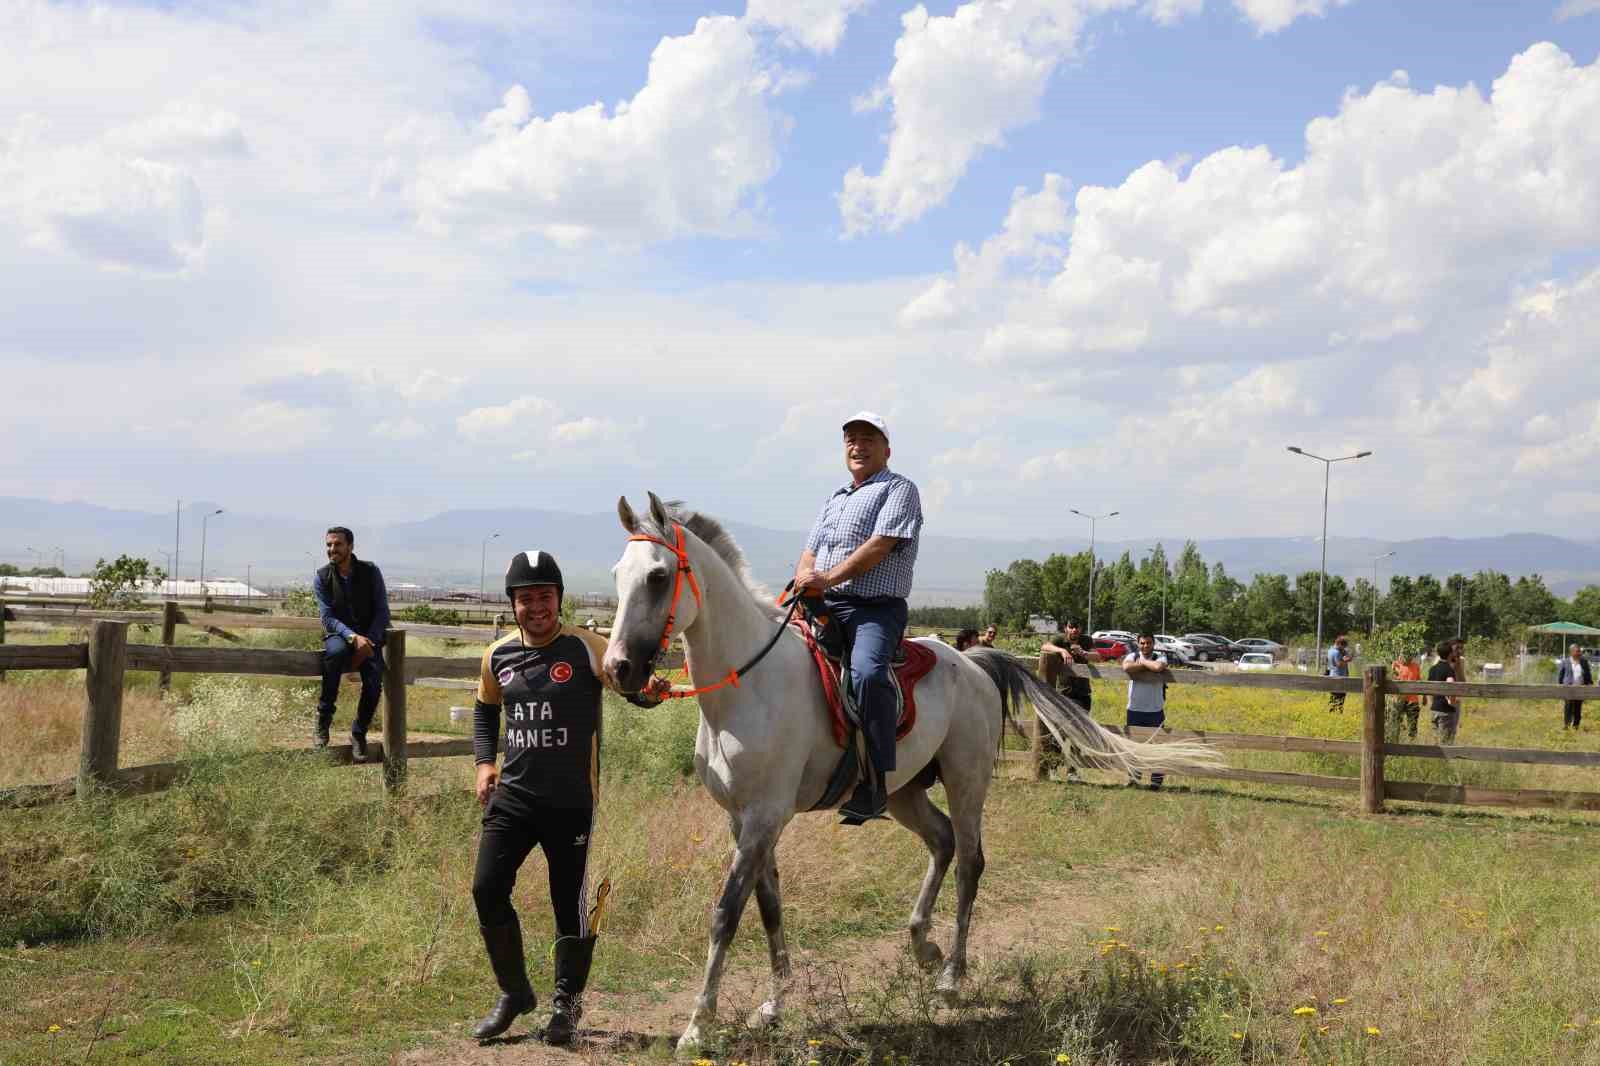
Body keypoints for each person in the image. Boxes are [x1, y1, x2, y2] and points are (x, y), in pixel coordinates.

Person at [469, 549, 670, 1044]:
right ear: (512, 603)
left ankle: (566, 1008)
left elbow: (630, 685)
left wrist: (650, 691)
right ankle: (515, 994)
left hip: (571, 802)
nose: (536, 607)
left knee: (569, 905)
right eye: (525, 598)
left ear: (560, 598)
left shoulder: (587, 646)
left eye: (545, 597)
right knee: (486, 890)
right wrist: (484, 763)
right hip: (512, 800)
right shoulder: (497, 655)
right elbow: (483, 709)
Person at [792, 411, 924, 825]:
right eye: (851, 439)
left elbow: (879, 546)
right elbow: (810, 551)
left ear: (887, 449)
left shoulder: (899, 489)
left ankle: (875, 781)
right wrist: (804, 578)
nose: (858, 446)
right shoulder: (835, 498)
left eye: (868, 439)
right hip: (826, 605)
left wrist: (827, 577)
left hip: (874, 609)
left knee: (866, 673)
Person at [312, 526, 391, 759]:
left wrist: (369, 641)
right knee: (334, 656)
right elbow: (327, 618)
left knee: (375, 682)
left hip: (371, 636)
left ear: (350, 546)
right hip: (340, 636)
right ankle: (322, 724)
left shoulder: (370, 571)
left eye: (337, 544)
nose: (332, 549)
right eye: (329, 545)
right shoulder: (322, 576)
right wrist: (353, 637)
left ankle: (358, 732)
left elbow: (382, 611)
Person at [1037, 620, 1102, 781]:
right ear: (1066, 628)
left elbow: (1099, 657)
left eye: (1077, 627)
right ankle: (1053, 769)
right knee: (1058, 734)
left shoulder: (1086, 640)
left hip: (1083, 693)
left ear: (1080, 628)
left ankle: (1073, 772)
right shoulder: (1060, 639)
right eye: (1071, 627)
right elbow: (1044, 647)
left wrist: (1085, 654)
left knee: (1078, 735)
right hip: (1064, 694)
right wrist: (1061, 651)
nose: (1074, 630)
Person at [1123, 633, 1170, 789]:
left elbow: (1158, 667)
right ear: (1138, 643)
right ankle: (1134, 779)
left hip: (1155, 710)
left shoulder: (1160, 656)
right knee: (1133, 745)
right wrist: (1146, 664)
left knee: (1157, 746)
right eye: (1142, 643)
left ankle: (1156, 782)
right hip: (1134, 709)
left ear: (1153, 644)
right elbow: (1127, 667)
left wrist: (1142, 662)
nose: (1145, 646)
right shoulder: (1132, 655)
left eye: (1148, 643)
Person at [1427, 639, 1461, 744]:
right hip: (1445, 710)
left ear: (1438, 653)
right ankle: (1443, 761)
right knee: (1446, 742)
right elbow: (1450, 685)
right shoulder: (1449, 669)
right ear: (1450, 654)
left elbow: (1428, 689)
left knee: (1436, 741)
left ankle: (1435, 760)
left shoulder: (1432, 669)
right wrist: (1452, 701)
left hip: (1434, 709)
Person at [1389, 648, 1422, 741]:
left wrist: (1424, 697)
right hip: (1398, 700)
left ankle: (1412, 744)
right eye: (1405, 655)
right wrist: (1394, 668)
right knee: (1395, 723)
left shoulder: (1416, 666)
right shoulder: (1396, 665)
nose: (1408, 658)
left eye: (1410, 656)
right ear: (1401, 655)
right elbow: (1391, 680)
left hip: (1413, 700)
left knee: (1413, 725)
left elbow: (1420, 682)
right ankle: (1394, 743)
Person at [1557, 643, 1592, 730]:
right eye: (1577, 651)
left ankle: (1576, 726)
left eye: (1579, 651)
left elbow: (1588, 674)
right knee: (1568, 707)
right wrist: (1561, 686)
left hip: (1580, 688)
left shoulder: (1584, 662)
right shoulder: (1565, 662)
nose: (1579, 653)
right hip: (1568, 688)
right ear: (1572, 652)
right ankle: (1567, 725)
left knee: (1577, 708)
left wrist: (1589, 683)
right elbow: (1560, 676)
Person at [1326, 635, 1352, 712]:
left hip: (1333, 675)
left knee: (1333, 697)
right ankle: (1336, 713)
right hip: (1339, 677)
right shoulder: (1336, 652)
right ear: (1340, 644)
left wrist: (1344, 654)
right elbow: (1339, 664)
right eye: (1344, 646)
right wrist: (1347, 660)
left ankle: (1333, 714)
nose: (1344, 648)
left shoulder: (1330, 650)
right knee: (1340, 698)